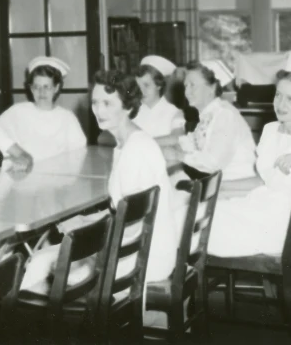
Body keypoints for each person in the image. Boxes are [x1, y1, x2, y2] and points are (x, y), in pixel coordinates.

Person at [20, 70, 177, 325]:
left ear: (127, 107)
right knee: (43, 259)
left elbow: (132, 221)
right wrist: (84, 218)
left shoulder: (137, 150)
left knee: (40, 262)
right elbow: (124, 209)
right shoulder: (127, 144)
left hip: (143, 257)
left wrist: (85, 228)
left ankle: (33, 329)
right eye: (95, 102)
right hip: (142, 247)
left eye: (107, 103)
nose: (98, 110)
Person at [208, 56, 291, 256]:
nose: (281, 105)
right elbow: (264, 181)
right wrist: (219, 188)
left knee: (198, 225)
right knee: (198, 213)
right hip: (259, 207)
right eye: (278, 95)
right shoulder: (270, 130)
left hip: (280, 225)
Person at [177, 60, 256, 181]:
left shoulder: (225, 114)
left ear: (212, 88)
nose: (186, 92)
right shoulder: (209, 115)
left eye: (192, 85)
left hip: (238, 186)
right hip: (222, 184)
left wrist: (178, 155)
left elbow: (213, 162)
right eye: (185, 86)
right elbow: (192, 145)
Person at [0, 56, 87, 161]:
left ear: (56, 87)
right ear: (31, 88)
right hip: (23, 174)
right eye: (37, 87)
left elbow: (78, 153)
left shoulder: (67, 118)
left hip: (59, 174)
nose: (41, 92)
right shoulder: (17, 112)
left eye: (46, 87)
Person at [134, 55, 186, 143]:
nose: (141, 91)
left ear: (159, 85)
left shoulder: (173, 112)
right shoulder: (133, 110)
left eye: (146, 85)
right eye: (138, 86)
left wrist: (142, 143)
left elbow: (178, 138)